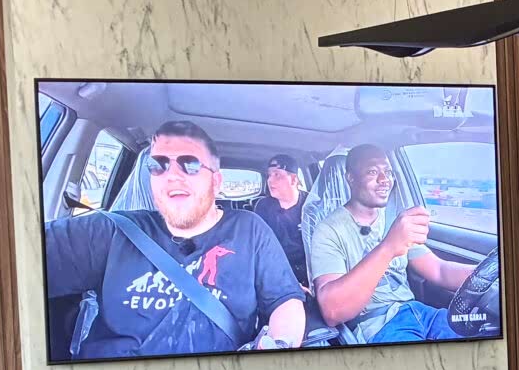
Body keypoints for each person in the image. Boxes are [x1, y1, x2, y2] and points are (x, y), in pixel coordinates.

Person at [44, 120, 305, 358]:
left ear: (216, 182)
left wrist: (278, 346)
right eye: (158, 165)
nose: (172, 175)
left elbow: (286, 300)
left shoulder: (249, 230)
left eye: (190, 164)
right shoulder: (112, 231)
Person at [308, 142, 473, 345]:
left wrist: (490, 274)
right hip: (377, 324)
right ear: (351, 178)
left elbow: (439, 270)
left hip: (420, 313)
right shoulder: (328, 230)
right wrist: (388, 247)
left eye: (387, 172)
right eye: (372, 172)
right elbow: (332, 311)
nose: (384, 179)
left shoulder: (395, 221)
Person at [252, 150, 310, 284]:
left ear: (294, 179)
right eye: (269, 175)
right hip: (276, 271)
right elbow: (260, 248)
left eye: (277, 174)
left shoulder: (310, 205)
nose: (270, 180)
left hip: (308, 272)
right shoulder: (263, 206)